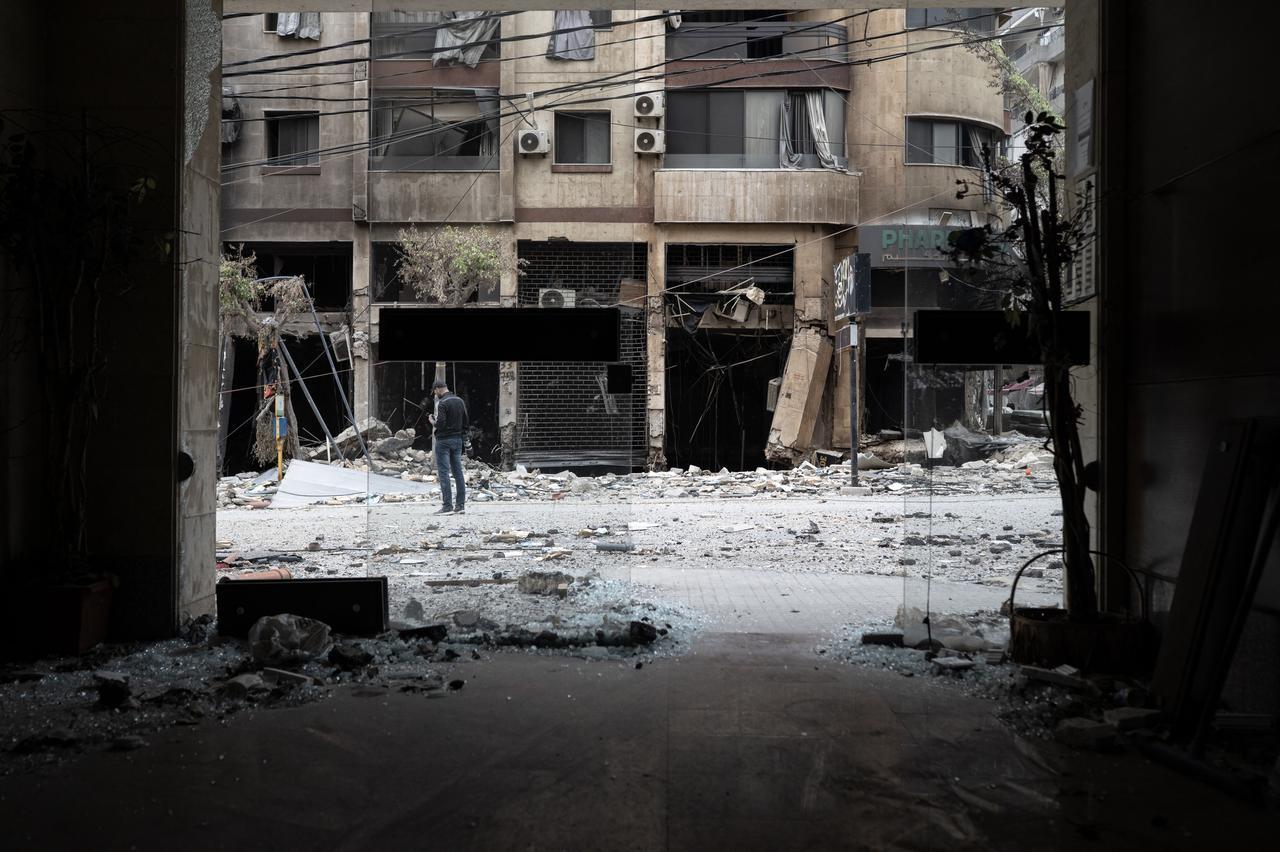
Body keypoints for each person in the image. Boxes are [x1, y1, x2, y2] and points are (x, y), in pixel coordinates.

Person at [429, 379, 469, 514]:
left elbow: (440, 424)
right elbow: (466, 423)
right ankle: (460, 506)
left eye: (435, 392)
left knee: (444, 473)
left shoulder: (443, 403)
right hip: (457, 441)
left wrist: (432, 421)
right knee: (458, 473)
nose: (435, 395)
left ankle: (447, 507)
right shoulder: (460, 401)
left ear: (438, 389)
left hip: (444, 442)